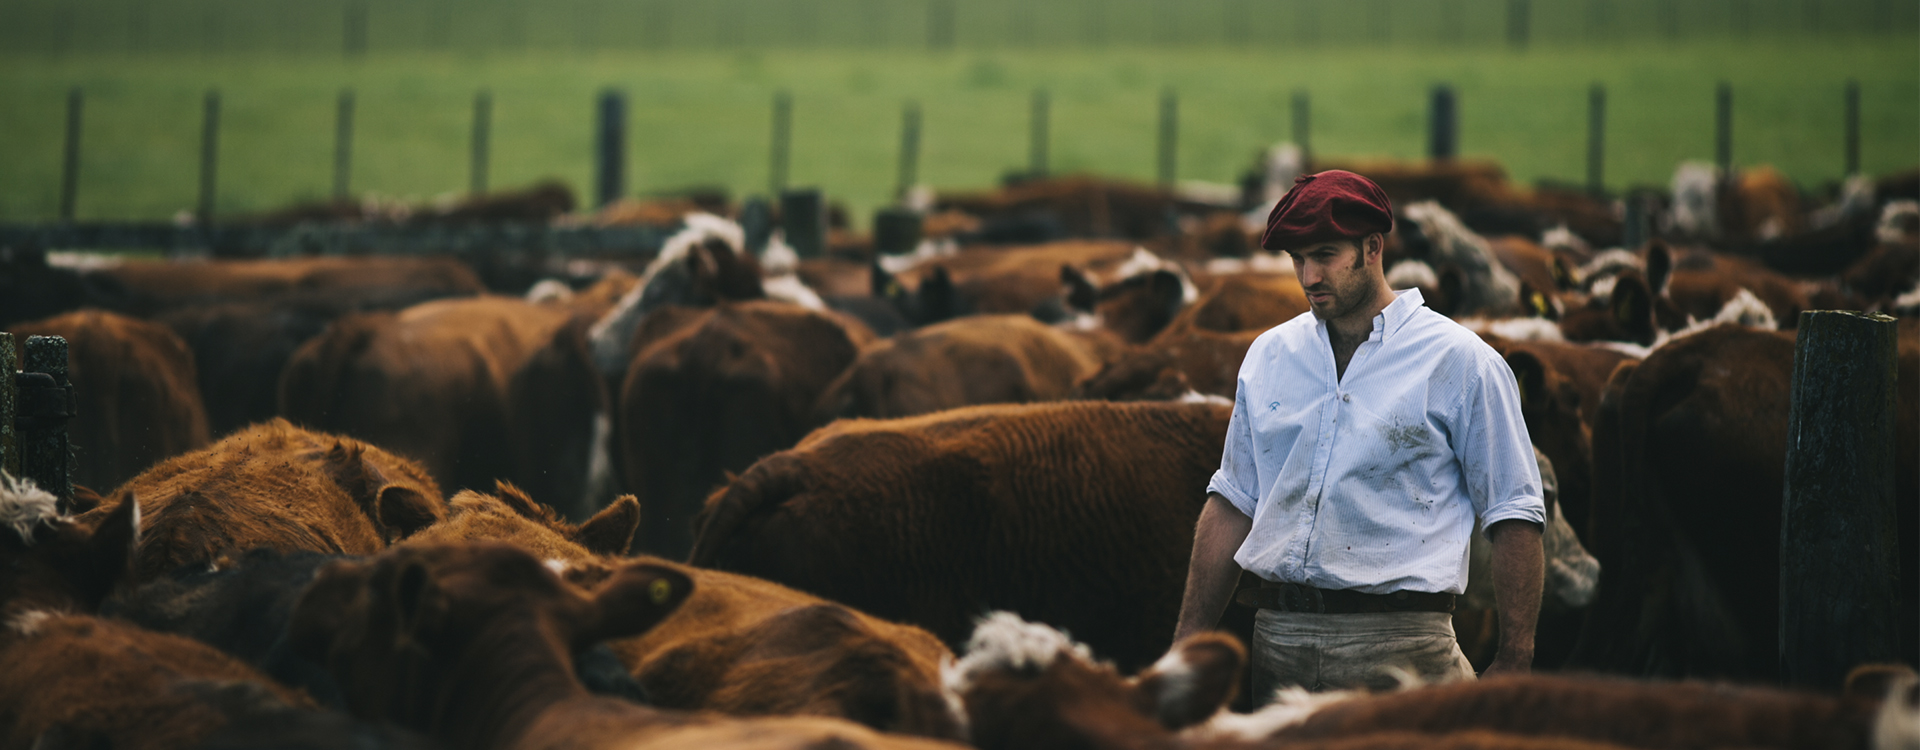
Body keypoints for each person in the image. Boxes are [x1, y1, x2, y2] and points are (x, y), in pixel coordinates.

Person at [1172, 170, 1545, 701]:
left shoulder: (1461, 362)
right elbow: (1233, 501)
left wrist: (1515, 657)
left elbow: (1514, 510)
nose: (1308, 276)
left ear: (1372, 247)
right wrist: (1186, 643)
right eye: (1297, 259)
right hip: (1279, 641)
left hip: (1404, 646)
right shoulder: (1269, 356)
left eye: (1324, 254)